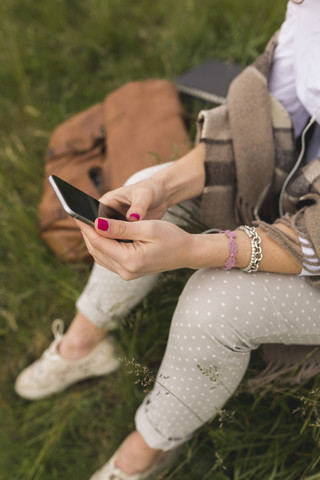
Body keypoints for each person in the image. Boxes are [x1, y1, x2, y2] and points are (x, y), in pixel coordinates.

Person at [15, 0, 320, 478]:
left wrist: (194, 250)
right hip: (304, 175)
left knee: (214, 301)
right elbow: (267, 114)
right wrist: (163, 186)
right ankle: (84, 343)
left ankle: (152, 446)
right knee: (147, 184)